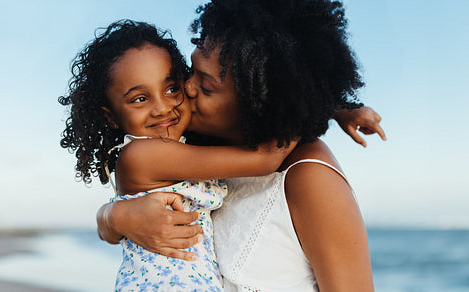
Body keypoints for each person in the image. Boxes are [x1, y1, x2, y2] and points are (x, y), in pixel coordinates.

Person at [97, 0, 383, 290]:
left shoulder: (310, 177)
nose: (187, 89)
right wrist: (115, 217)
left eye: (207, 87)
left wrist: (321, 105)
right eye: (190, 71)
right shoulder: (194, 150)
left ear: (256, 101)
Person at [59, 20, 299, 291]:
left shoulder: (178, 146)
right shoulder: (143, 154)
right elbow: (265, 159)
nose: (161, 108)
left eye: (172, 88)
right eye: (140, 98)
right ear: (111, 117)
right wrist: (317, 104)